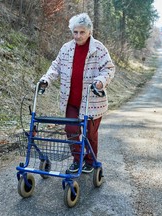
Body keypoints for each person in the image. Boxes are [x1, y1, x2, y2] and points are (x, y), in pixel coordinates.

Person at [39, 13, 115, 173]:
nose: (78, 36)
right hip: (71, 101)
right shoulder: (66, 49)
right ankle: (77, 159)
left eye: (82, 32)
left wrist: (100, 82)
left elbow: (108, 68)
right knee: (71, 130)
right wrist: (46, 79)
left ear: (89, 32)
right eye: (75, 32)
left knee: (90, 134)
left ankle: (90, 161)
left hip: (92, 102)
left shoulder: (98, 48)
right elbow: (55, 66)